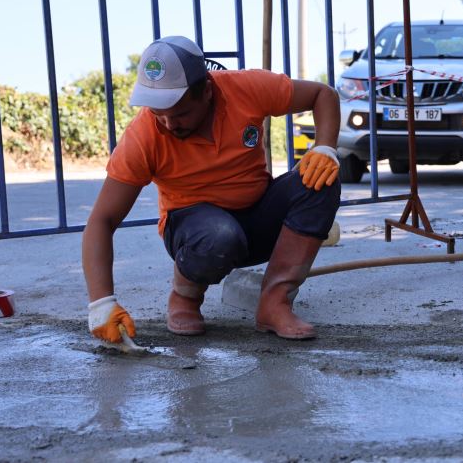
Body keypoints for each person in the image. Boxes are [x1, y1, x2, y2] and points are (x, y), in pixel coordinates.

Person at [83, 35, 341, 344]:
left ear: (206, 90)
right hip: (196, 233)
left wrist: (325, 147)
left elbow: (323, 95)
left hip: (257, 220)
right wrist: (101, 304)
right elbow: (102, 220)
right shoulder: (143, 138)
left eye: (179, 113)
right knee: (220, 234)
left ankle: (274, 303)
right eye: (158, 113)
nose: (168, 123)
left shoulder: (245, 88)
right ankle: (185, 297)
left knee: (320, 180)